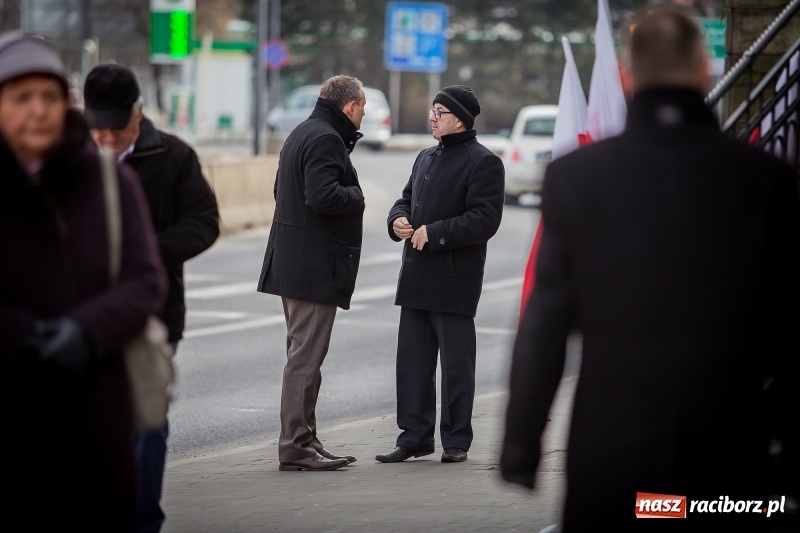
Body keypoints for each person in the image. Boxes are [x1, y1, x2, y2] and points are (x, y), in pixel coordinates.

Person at [500, 5, 800, 531]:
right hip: (729, 468)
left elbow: (545, 322)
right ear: (704, 71)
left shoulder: (576, 177)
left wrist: (521, 447)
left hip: (614, 458)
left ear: (626, 76)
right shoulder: (764, 178)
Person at [0, 31, 167, 532]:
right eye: (21, 98)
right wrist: (21, 333)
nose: (38, 111)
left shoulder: (108, 181)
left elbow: (145, 278)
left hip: (93, 416)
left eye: (49, 97)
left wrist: (86, 329)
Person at [82, 64, 220, 533]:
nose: (104, 142)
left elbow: (204, 222)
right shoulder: (66, 157)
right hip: (80, 315)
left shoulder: (174, 157)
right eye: (95, 131)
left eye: (115, 132)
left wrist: (144, 251)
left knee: (144, 420)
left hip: (151, 312)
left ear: (137, 118)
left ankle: (142, 521)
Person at [376, 85, 504, 464]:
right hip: (416, 277)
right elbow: (404, 197)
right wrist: (397, 218)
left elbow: (485, 219)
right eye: (432, 110)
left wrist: (436, 232)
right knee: (412, 363)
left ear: (460, 118)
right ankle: (413, 436)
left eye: (439, 111)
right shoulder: (425, 157)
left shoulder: (484, 162)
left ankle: (456, 441)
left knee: (456, 366)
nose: (432, 117)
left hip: (453, 279)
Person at [257, 75, 366, 471]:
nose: (363, 117)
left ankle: (306, 438)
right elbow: (323, 196)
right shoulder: (326, 139)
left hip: (295, 263)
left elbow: (279, 189)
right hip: (314, 267)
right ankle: (296, 445)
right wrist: (357, 196)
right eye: (363, 109)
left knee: (303, 357)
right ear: (350, 107)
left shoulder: (302, 132)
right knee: (305, 359)